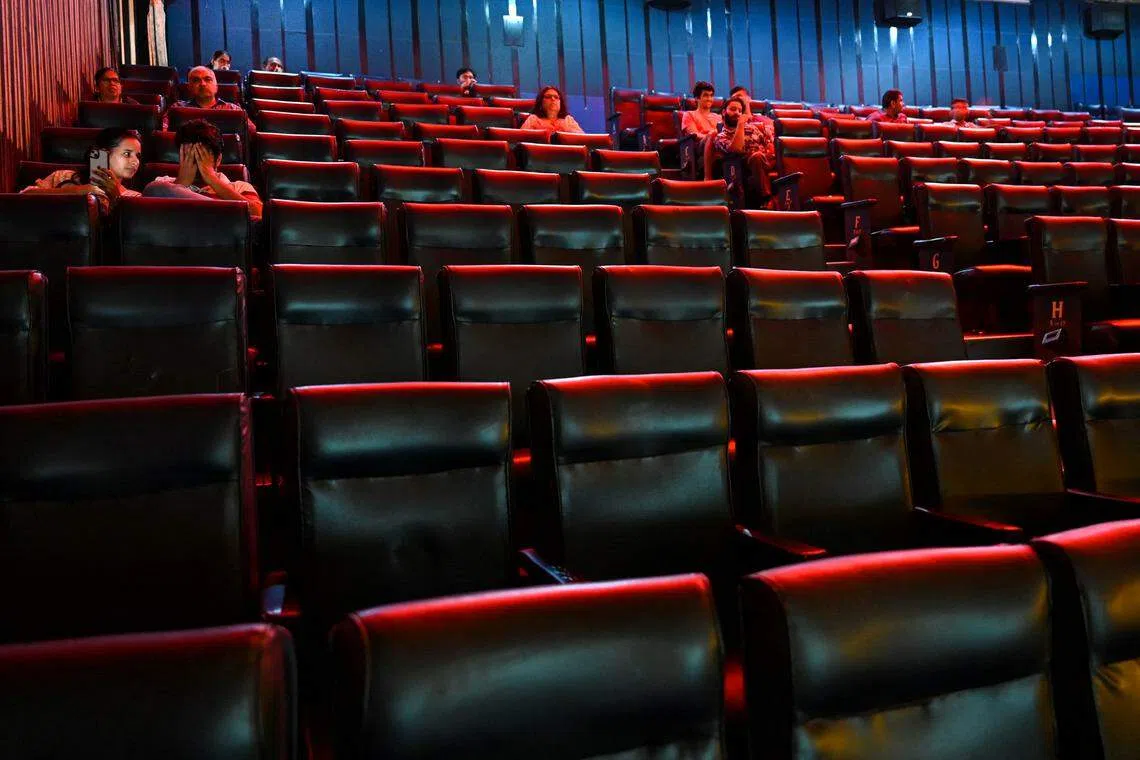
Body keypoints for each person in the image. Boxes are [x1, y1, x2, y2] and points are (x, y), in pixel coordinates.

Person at [143, 119, 263, 221]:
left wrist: (212, 178)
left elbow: (258, 213)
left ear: (218, 159)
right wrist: (181, 183)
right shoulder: (164, 182)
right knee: (154, 188)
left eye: (201, 156)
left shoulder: (240, 187)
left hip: (220, 238)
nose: (196, 162)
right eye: (190, 155)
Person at [21, 127, 142, 212]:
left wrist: (116, 199)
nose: (135, 161)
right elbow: (24, 197)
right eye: (127, 154)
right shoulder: (63, 176)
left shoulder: (134, 198)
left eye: (138, 156)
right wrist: (76, 191)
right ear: (103, 153)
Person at [714, 96, 775, 203]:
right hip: (746, 165)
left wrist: (771, 149)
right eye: (733, 109)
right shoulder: (721, 137)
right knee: (757, 157)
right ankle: (766, 199)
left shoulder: (752, 128)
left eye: (740, 111)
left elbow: (769, 143)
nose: (737, 113)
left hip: (767, 160)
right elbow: (737, 149)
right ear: (723, 112)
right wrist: (741, 124)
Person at [162, 65, 255, 134]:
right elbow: (164, 134)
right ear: (189, 87)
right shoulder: (177, 109)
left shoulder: (233, 109)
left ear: (216, 86)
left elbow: (253, 135)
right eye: (196, 80)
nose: (203, 84)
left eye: (208, 79)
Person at [519, 86, 584, 134]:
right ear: (541, 102)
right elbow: (522, 139)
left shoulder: (568, 119)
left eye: (556, 97)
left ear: (560, 103)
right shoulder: (533, 119)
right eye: (548, 97)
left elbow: (581, 139)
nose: (553, 99)